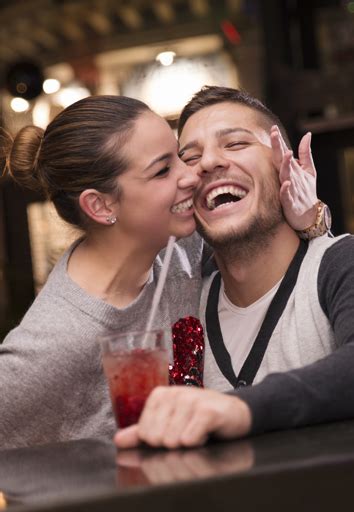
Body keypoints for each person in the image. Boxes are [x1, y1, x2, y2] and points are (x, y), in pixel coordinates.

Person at [0, 94, 317, 449]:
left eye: (180, 156)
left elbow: (262, 236)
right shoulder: (53, 344)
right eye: (163, 170)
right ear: (100, 204)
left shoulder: (180, 243)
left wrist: (312, 221)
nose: (191, 175)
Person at [115, 86, 354, 450]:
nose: (209, 162)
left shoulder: (338, 264)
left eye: (236, 144)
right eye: (189, 157)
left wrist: (238, 409)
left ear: (282, 164)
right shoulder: (180, 298)